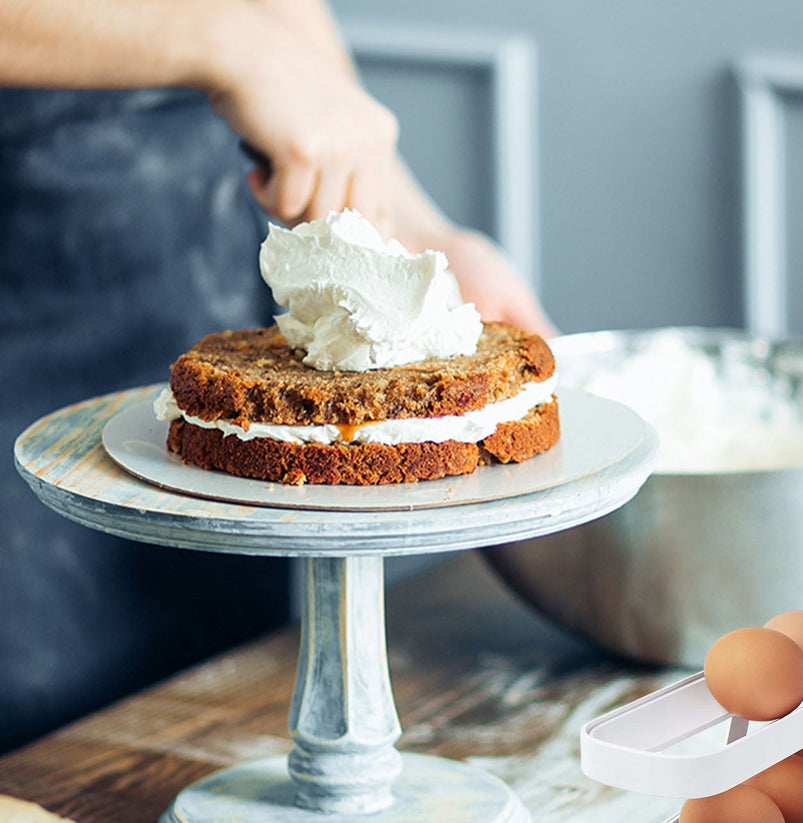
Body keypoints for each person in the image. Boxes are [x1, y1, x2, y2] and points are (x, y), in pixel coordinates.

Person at [0, 0, 555, 752]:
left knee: (211, 705)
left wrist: (399, 226)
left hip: (190, 273)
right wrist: (224, 38)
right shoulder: (224, 42)